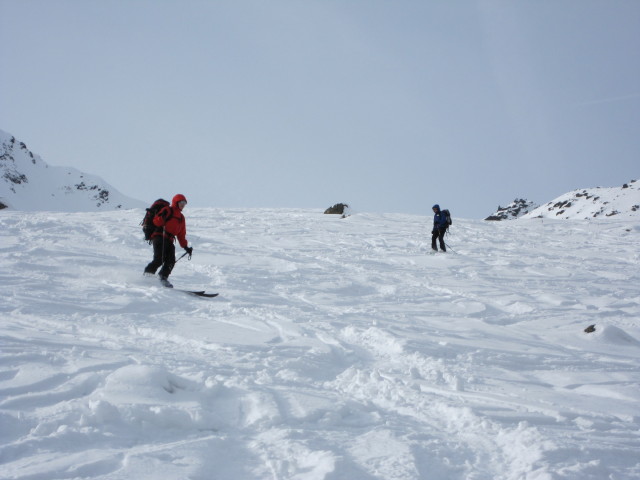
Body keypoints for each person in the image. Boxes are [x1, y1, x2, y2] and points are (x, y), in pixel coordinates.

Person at [144, 194, 193, 287]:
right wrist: (161, 218)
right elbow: (156, 221)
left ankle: (163, 278)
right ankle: (147, 276)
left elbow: (181, 234)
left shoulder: (181, 218)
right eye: (181, 202)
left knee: (171, 260)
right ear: (176, 202)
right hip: (159, 236)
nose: (183, 205)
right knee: (159, 259)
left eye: (184, 203)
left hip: (169, 240)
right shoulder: (168, 210)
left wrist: (186, 247)